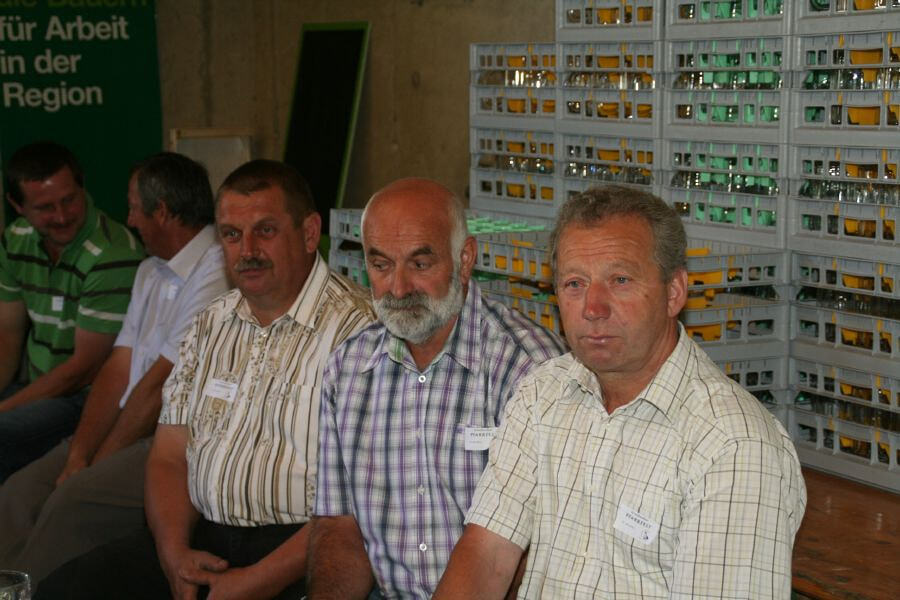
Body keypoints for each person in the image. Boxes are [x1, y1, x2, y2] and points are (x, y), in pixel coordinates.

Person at [434, 185, 807, 600]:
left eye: (621, 280)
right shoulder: (544, 393)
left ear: (674, 292)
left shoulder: (732, 445)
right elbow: (486, 555)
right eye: (575, 283)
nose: (593, 307)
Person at [36, 159, 374, 600]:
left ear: (310, 233)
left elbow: (364, 499)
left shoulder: (361, 332)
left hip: (309, 551)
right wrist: (174, 554)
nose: (247, 250)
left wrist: (252, 582)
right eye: (231, 235)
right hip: (205, 538)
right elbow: (169, 456)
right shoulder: (209, 324)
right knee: (65, 589)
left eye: (265, 231)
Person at [307, 178, 566, 599]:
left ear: (464, 260)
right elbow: (339, 526)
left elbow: (542, 547)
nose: (398, 288)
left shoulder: (528, 367)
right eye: (381, 265)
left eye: (420, 264)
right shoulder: (348, 368)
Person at [0, 152, 229, 584]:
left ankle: (25, 591)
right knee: (17, 494)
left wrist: (96, 462)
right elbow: (117, 367)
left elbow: (158, 387)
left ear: (162, 211)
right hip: (125, 424)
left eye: (134, 208)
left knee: (70, 502)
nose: (130, 220)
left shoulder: (216, 271)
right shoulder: (149, 270)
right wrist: (79, 453)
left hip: (172, 438)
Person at [0, 141, 145, 481]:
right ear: (17, 206)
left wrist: (4, 408)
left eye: (69, 200)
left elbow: (83, 370)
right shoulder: (14, 239)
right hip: (34, 385)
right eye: (45, 208)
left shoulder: (113, 253)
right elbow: (7, 336)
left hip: (83, 400)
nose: (62, 216)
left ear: (83, 187)